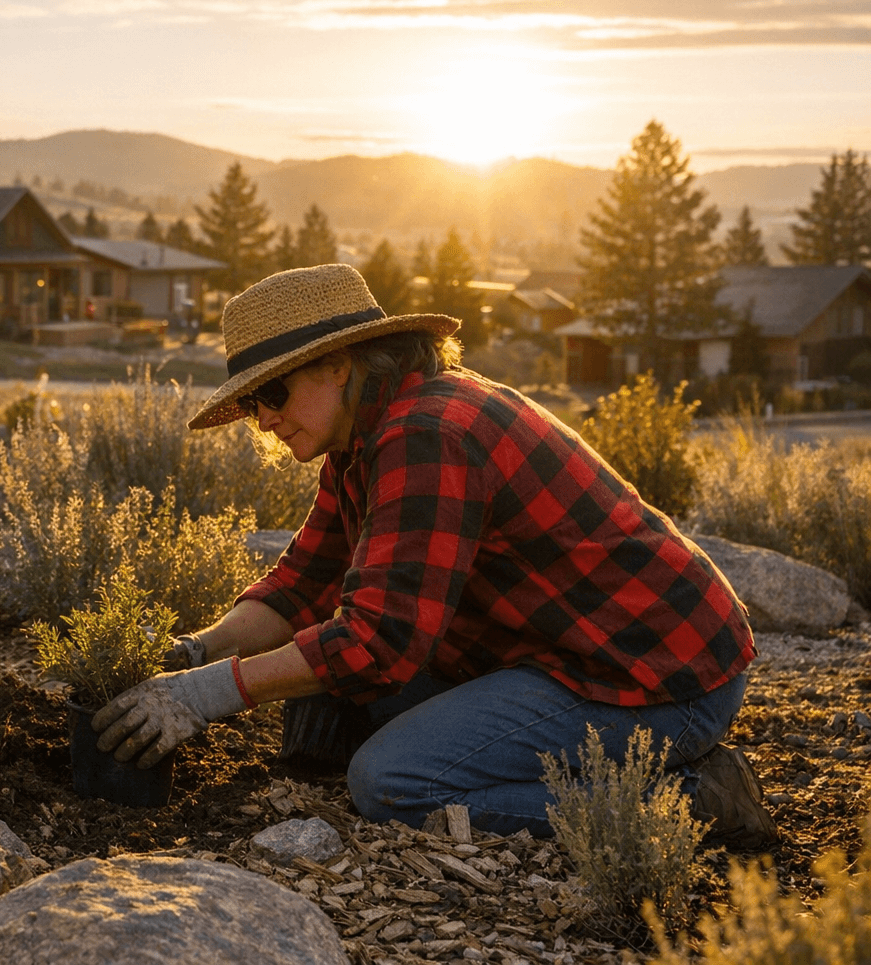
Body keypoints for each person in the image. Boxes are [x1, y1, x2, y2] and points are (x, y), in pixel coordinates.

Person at [92, 263, 778, 848]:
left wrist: (205, 695)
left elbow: (376, 642)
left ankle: (690, 801)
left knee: (392, 781)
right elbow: (304, 583)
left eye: (271, 393)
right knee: (344, 699)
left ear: (339, 364)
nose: (262, 419)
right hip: (578, 653)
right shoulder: (365, 437)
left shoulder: (426, 436)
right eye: (250, 403)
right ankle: (599, 773)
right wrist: (191, 654)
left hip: (660, 677)